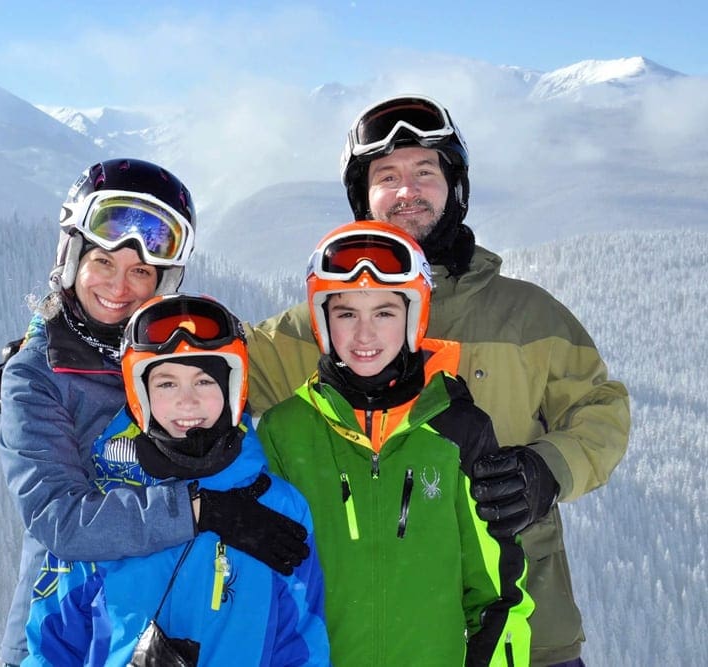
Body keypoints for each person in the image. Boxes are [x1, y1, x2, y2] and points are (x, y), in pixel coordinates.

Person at [245, 95, 630, 666]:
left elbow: (602, 411)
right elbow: (191, 378)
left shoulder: (528, 315)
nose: (408, 191)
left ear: (454, 185)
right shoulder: (309, 330)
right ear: (363, 197)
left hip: (527, 623)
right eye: (387, 177)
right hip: (371, 633)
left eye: (425, 172)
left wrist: (546, 469)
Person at [0, 158, 309, 666]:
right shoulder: (38, 375)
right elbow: (60, 519)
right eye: (103, 263)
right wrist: (201, 511)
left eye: (140, 271)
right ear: (72, 257)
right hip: (65, 633)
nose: (119, 288)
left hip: (177, 624)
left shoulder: (177, 350)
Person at [256, 221, 533, 665]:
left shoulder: (457, 429)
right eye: (346, 313)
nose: (365, 336)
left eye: (384, 313)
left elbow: (497, 589)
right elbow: (259, 586)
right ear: (322, 320)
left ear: (414, 316)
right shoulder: (285, 432)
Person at [23, 294, 330, 666]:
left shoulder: (281, 508)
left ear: (233, 389)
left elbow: (300, 643)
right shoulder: (106, 509)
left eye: (204, 381)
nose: (187, 402)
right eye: (166, 384)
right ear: (141, 396)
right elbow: (53, 645)